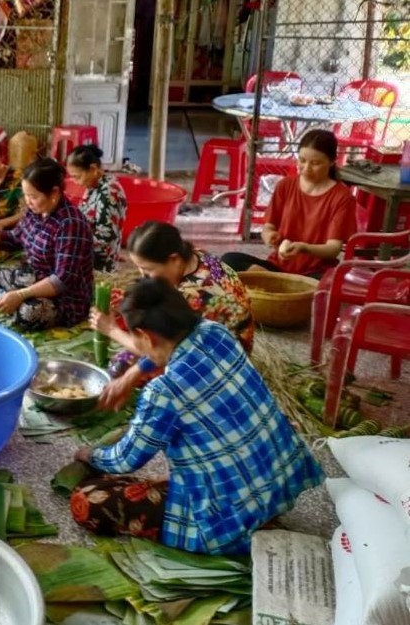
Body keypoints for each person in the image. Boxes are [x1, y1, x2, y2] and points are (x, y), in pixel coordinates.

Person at [73, 278, 323, 555]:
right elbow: (158, 351)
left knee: (88, 502)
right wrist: (135, 373)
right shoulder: (216, 332)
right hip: (280, 486)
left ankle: (235, 530)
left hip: (223, 525)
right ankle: (259, 514)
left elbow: (125, 460)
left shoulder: (163, 392)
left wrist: (90, 455)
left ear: (146, 335)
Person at [90, 221, 254, 411]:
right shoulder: (193, 256)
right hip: (200, 340)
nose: (143, 276)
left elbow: (163, 349)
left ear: (174, 259)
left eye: (148, 270)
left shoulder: (195, 294)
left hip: (222, 362)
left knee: (122, 366)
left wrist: (111, 330)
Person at [0, 158, 94, 329]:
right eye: (25, 195)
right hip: (32, 279)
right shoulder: (35, 212)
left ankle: (4, 299)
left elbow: (61, 280)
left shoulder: (70, 224)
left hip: (64, 297)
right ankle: (3, 298)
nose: (28, 201)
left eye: (33, 196)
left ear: (54, 193)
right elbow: (13, 238)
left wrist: (20, 295)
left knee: (28, 313)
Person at [222, 129, 357, 277]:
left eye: (315, 163)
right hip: (278, 266)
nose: (306, 168)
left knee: (325, 285)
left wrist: (304, 248)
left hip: (315, 272)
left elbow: (333, 249)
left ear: (332, 162)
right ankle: (276, 283)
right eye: (302, 160)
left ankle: (272, 283)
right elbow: (268, 227)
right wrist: (270, 236)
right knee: (228, 260)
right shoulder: (285, 185)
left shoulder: (342, 197)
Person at [66, 144, 127, 272]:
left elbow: (105, 238)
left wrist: (70, 241)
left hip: (99, 264)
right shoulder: (94, 185)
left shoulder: (109, 193)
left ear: (93, 169)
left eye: (77, 176)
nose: (76, 182)